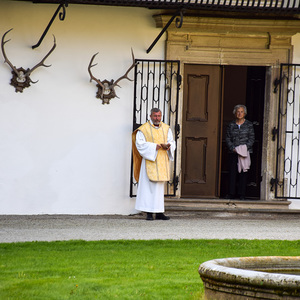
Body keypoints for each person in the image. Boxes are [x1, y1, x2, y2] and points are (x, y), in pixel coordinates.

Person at [132, 108, 176, 221]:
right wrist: (154, 147)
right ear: (150, 116)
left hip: (161, 162)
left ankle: (159, 212)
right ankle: (149, 213)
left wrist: (168, 146)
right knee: (148, 188)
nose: (157, 118)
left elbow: (172, 141)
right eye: (155, 116)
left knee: (159, 189)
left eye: (159, 116)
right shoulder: (144, 129)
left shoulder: (166, 128)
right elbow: (139, 144)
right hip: (149, 161)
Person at [225, 104, 255, 200]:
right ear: (235, 113)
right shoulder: (231, 125)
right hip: (233, 152)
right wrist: (233, 148)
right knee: (232, 173)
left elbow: (252, 138)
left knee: (243, 173)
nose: (239, 113)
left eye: (241, 111)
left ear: (245, 113)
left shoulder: (249, 125)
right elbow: (228, 138)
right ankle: (231, 193)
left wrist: (244, 148)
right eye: (238, 111)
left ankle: (242, 194)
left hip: (245, 153)